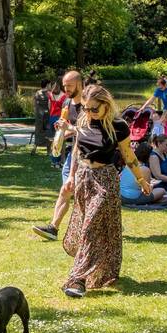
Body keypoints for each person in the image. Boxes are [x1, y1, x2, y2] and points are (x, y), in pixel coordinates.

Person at [61, 84, 152, 297]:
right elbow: (76, 150)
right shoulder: (83, 120)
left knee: (91, 227)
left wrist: (141, 179)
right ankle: (95, 269)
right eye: (86, 108)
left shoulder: (118, 126)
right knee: (87, 226)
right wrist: (71, 176)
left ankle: (78, 280)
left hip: (106, 180)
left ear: (105, 105)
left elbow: (128, 155)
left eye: (94, 109)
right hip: (84, 177)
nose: (89, 113)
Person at [31, 70, 84, 241]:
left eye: (69, 86)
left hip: (89, 154)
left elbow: (92, 132)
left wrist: (70, 129)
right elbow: (73, 130)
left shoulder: (89, 104)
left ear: (79, 84)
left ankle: (103, 225)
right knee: (67, 189)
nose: (66, 89)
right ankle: (53, 228)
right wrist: (62, 134)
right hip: (74, 152)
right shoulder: (68, 102)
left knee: (79, 192)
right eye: (64, 86)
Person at [33, 83, 52, 149]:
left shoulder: (37, 93)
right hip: (46, 115)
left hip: (39, 116)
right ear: (47, 85)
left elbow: (35, 105)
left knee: (38, 132)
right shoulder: (49, 93)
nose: (51, 86)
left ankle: (35, 147)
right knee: (47, 132)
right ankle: (48, 150)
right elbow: (50, 106)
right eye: (50, 85)